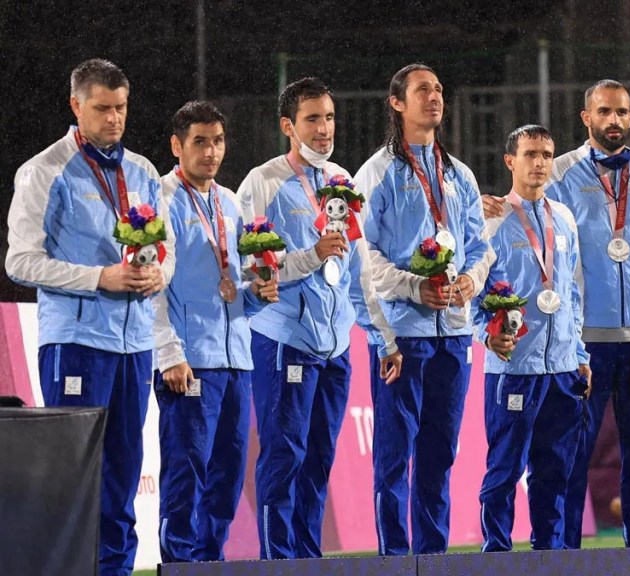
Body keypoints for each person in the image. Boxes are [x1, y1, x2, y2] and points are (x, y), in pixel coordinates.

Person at [486, 79, 630, 548]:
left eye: (622, 112)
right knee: (569, 458)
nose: (614, 120)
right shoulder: (558, 170)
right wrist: (484, 206)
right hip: (582, 344)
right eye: (604, 111)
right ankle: (567, 557)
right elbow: (522, 211)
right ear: (586, 118)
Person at [6, 58, 169, 576]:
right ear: (76, 107)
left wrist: (157, 274)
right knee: (74, 478)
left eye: (121, 108)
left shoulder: (142, 171)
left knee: (123, 475)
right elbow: (19, 260)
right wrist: (100, 277)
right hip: (76, 340)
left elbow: (165, 249)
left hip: (135, 342)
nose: (114, 119)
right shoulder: (44, 170)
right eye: (102, 109)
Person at [237, 77, 400, 560]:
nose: (324, 128)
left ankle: (307, 561)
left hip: (334, 348)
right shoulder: (262, 182)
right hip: (284, 339)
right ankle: (277, 562)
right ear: (288, 125)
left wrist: (382, 337)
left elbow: (357, 270)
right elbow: (252, 267)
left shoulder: (342, 184)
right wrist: (310, 256)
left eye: (329, 117)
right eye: (312, 119)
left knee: (319, 461)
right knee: (284, 457)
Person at [353, 63, 494, 556]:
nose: (434, 97)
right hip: (404, 338)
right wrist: (416, 287)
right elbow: (362, 254)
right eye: (421, 90)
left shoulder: (459, 173)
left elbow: (480, 247)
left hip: (454, 336)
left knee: (439, 457)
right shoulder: (376, 173)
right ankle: (394, 560)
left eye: (438, 88)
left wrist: (470, 282)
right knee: (393, 458)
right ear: (397, 103)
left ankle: (432, 559)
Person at [152, 101, 279, 563]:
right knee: (187, 474)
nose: (211, 151)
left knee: (226, 476)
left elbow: (234, 288)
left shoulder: (229, 203)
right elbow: (151, 286)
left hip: (234, 360)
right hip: (189, 361)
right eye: (200, 141)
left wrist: (257, 292)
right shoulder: (160, 201)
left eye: (218, 141)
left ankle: (209, 561)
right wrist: (168, 352)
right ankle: (180, 563)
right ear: (176, 146)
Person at [475, 124, 590, 552]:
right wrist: (485, 338)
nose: (540, 162)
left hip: (561, 368)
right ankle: (498, 555)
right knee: (504, 470)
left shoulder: (563, 217)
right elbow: (471, 289)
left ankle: (550, 556)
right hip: (514, 367)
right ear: (510, 161)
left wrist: (580, 354)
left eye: (546, 154)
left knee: (555, 471)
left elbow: (572, 291)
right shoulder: (490, 218)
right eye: (530, 154)